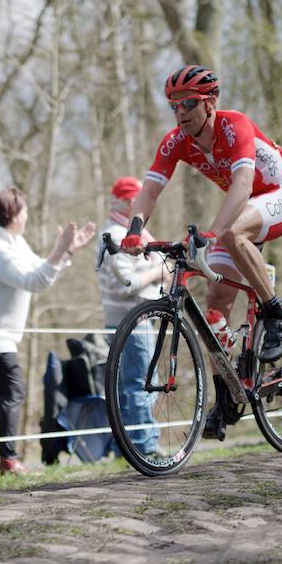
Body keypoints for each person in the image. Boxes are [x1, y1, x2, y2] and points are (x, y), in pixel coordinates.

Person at [121, 66, 282, 365]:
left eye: (189, 103)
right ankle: (227, 396)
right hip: (243, 208)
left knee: (231, 232)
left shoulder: (234, 125)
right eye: (174, 106)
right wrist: (134, 230)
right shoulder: (176, 141)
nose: (181, 112)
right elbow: (149, 191)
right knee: (215, 303)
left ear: (210, 102)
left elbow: (243, 183)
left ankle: (276, 314)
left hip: (280, 195)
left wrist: (214, 233)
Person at [0, 188, 95, 476]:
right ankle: (8, 460)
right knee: (14, 393)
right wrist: (60, 251)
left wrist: (67, 251)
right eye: (23, 212)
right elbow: (34, 281)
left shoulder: (13, 242)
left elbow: (40, 268)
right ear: (11, 215)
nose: (26, 217)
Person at [99, 177, 170, 455]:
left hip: (131, 320)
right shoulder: (118, 235)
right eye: (139, 200)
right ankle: (144, 445)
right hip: (130, 321)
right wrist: (159, 273)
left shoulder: (124, 232)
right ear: (130, 202)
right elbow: (126, 283)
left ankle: (126, 447)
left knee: (129, 384)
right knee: (140, 384)